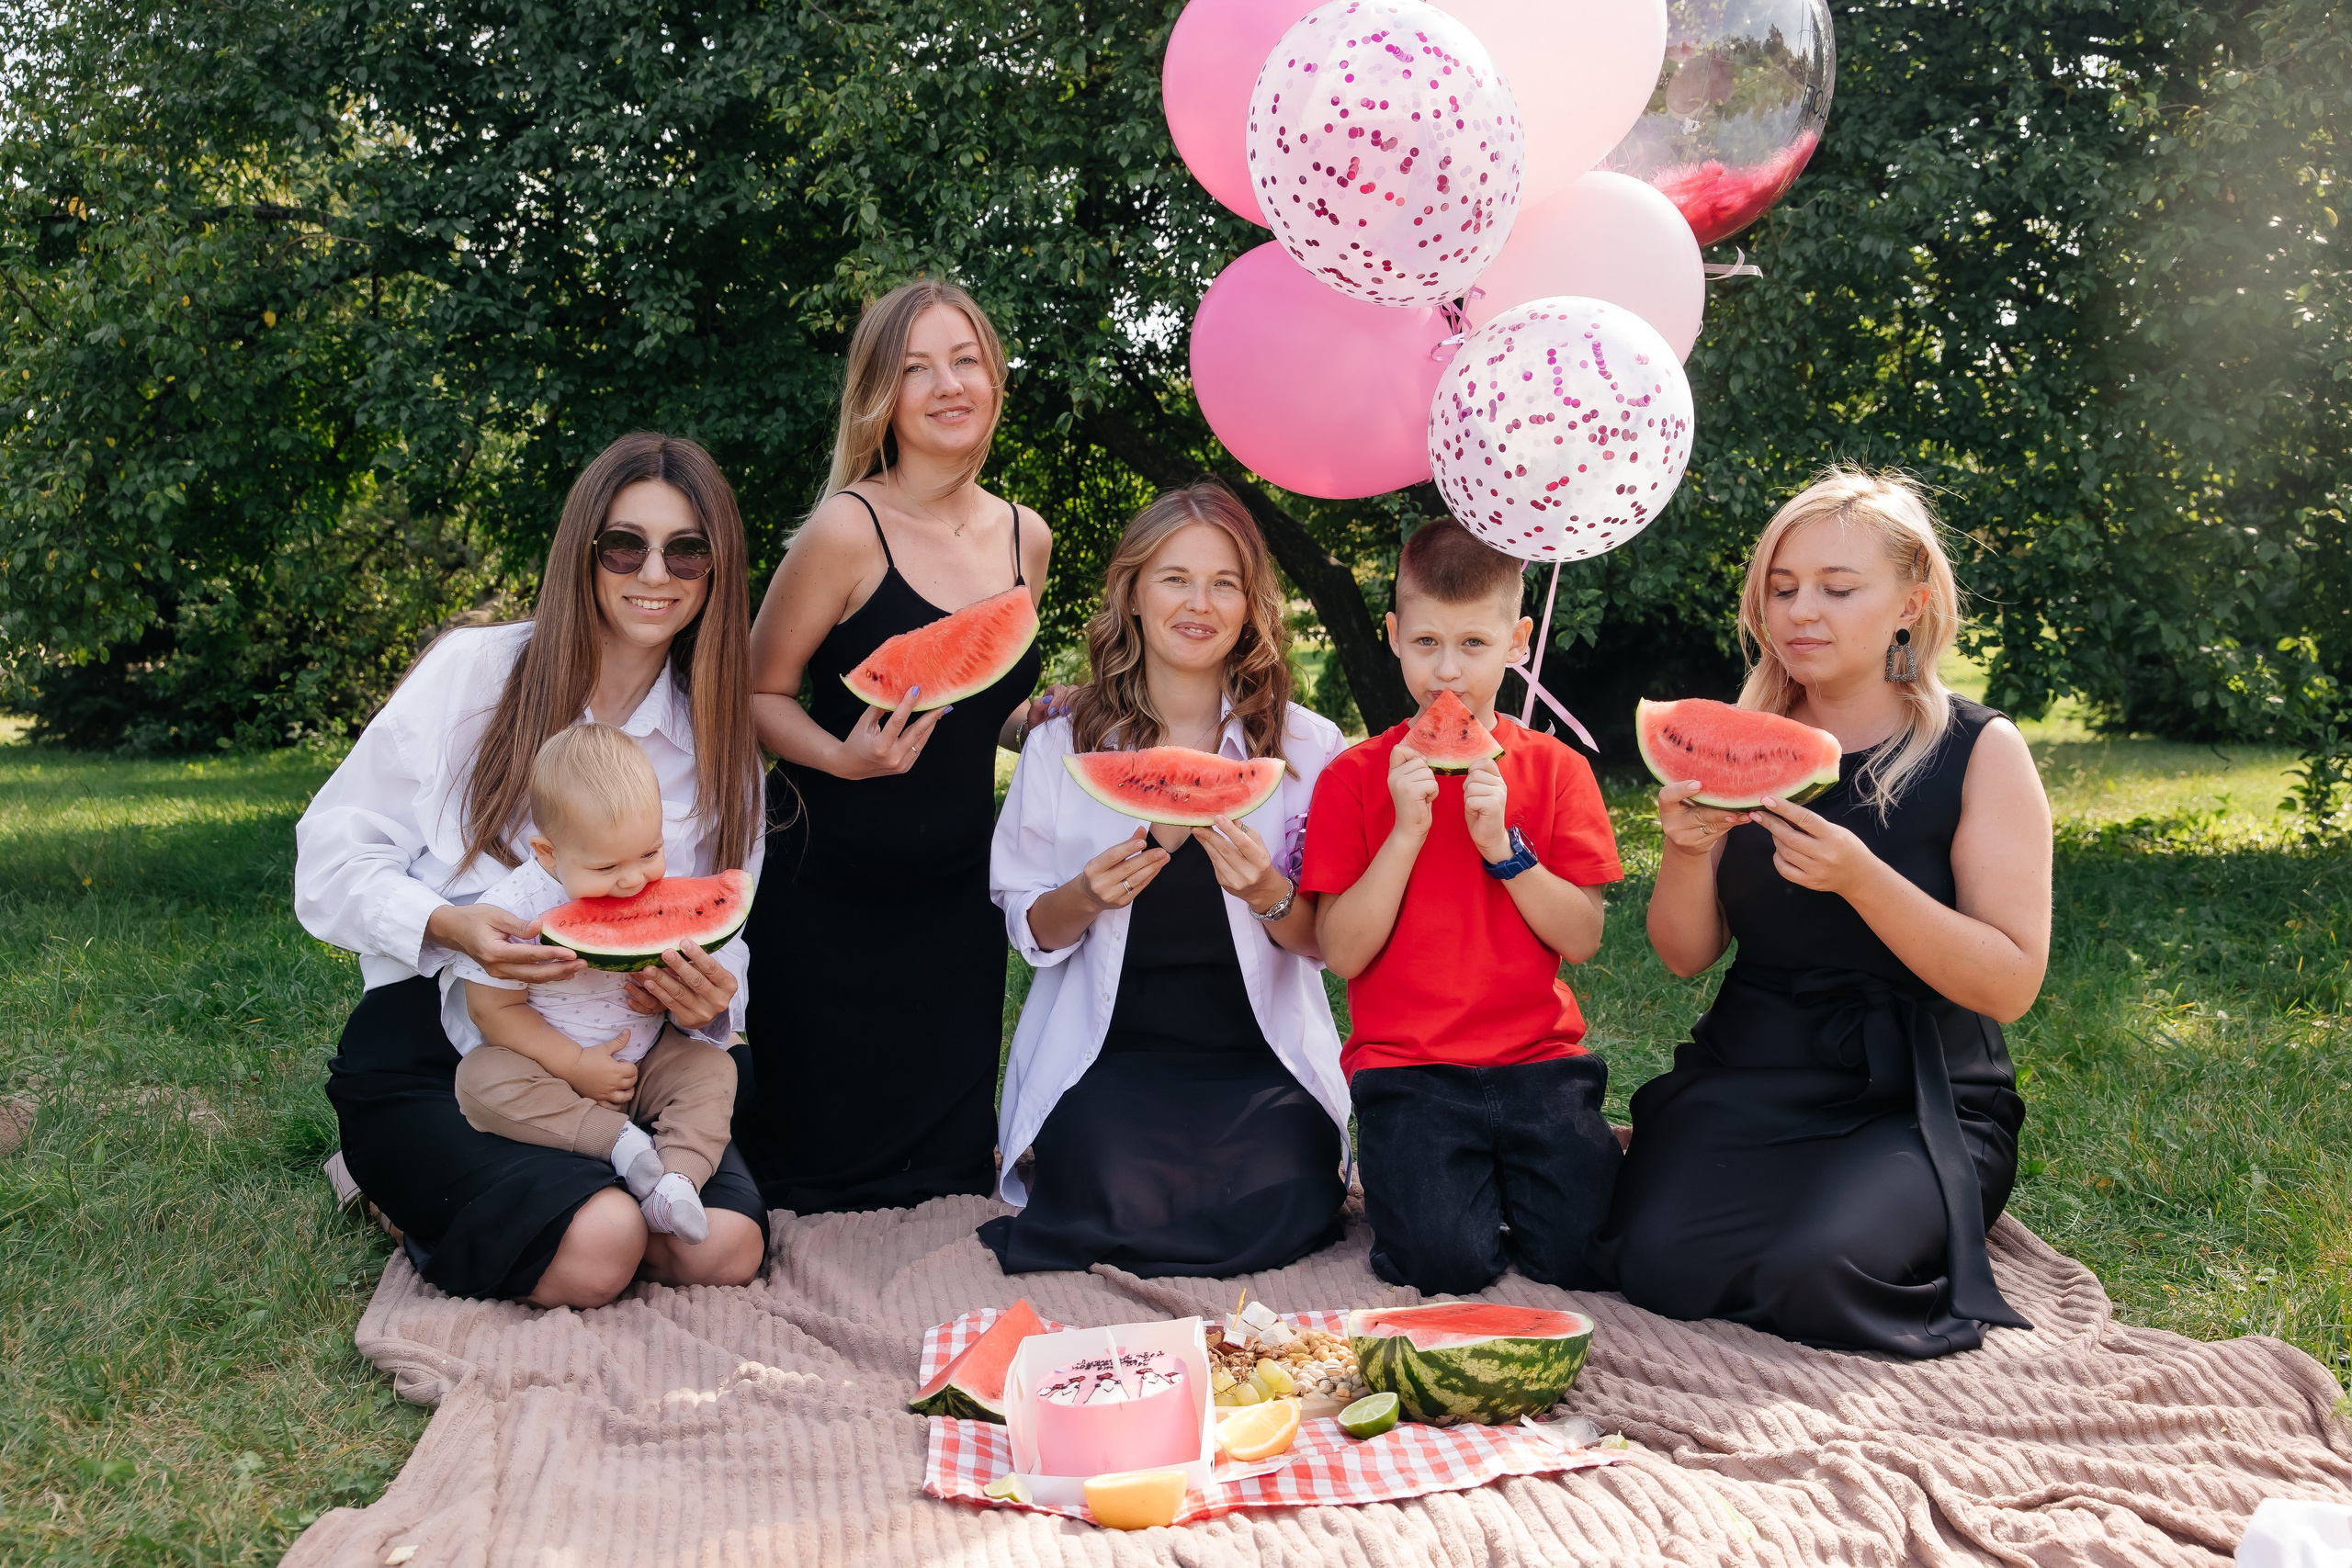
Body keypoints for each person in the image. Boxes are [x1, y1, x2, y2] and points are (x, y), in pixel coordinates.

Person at [298, 433, 768, 1308]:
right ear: (585, 554)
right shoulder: (474, 675)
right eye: (625, 545)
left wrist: (710, 996)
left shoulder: (720, 742)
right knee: (602, 1246)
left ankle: (579, 1193)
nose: (653, 572)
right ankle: (388, 1187)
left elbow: (725, 936)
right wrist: (450, 923)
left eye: (687, 549)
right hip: (448, 1048)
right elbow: (331, 854)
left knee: (727, 1249)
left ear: (717, 568)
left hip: (623, 1059)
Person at [1593, 466, 2053, 1359]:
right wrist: (1687, 854)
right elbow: (1685, 956)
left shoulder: (1979, 750)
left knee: (1820, 1271)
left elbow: (2009, 985)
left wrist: (1865, 881)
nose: (1801, 611)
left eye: (1838, 588)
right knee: (1653, 1260)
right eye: (1782, 587)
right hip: (1754, 1067)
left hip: (1921, 1092)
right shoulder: (1736, 732)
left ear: (1909, 603)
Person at [980, 481, 1351, 1277]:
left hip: (1258, 1055)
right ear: (1134, 593)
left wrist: (1269, 896)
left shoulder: (1308, 747)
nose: (1200, 603)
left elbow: (1331, 943)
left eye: (1225, 583)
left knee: (1282, 1194)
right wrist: (1086, 895)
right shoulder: (1064, 746)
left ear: (1252, 604)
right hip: (1112, 1051)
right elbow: (1027, 926)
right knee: (1115, 1189)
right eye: (1176, 578)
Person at [742, 279, 1052, 1213]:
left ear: (994, 378)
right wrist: (839, 757)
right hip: (823, 895)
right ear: (880, 396)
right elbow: (753, 691)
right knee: (812, 1182)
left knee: (946, 1182)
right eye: (916, 368)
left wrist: (1029, 721)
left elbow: (962, 698)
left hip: (956, 901)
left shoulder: (1024, 538)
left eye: (964, 360)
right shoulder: (848, 528)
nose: (946, 384)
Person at [1303, 519, 1624, 1295]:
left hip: (1539, 1064)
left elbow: (1581, 937)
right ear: (1393, 635)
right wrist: (1406, 833)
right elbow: (1340, 952)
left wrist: (1505, 850)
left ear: (1518, 639)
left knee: (1589, 1256)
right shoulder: (1353, 777)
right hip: (1408, 1070)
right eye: (1426, 645)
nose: (1448, 672)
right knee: (1443, 1262)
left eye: (1475, 646)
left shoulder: (1556, 770)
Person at [447, 724, 739, 1246]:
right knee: (480, 1080)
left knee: (714, 1069)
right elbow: (492, 1011)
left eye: (649, 854)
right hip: (548, 1070)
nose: (632, 881)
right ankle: (622, 1145)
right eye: (606, 866)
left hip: (648, 1062)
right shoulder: (515, 910)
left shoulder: (654, 888)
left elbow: (682, 992)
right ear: (547, 852)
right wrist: (575, 1066)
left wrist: (674, 998)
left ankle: (676, 1183)